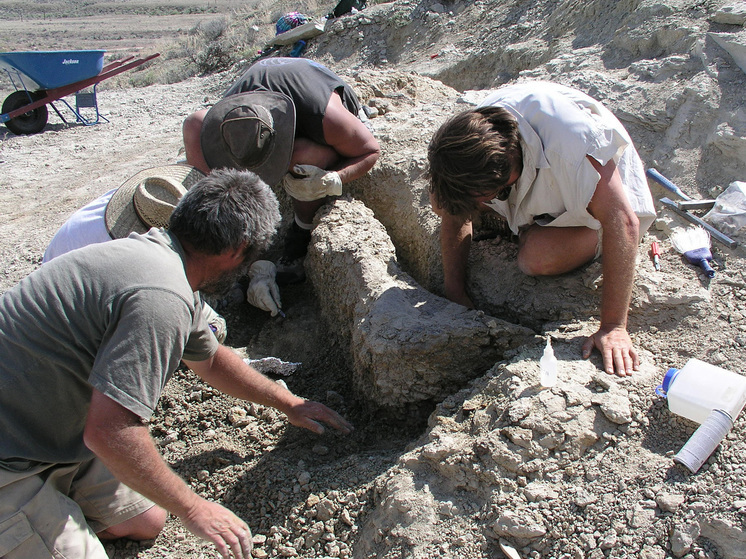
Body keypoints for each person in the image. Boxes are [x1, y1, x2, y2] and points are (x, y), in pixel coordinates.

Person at [0, 168, 353, 559]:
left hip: (46, 430)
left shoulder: (165, 259)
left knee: (146, 520)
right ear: (238, 249)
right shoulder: (159, 297)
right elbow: (111, 431)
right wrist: (194, 508)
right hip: (10, 456)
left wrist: (291, 405)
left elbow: (210, 360)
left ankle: (50, 510)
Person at [427, 81, 656, 378]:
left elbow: (624, 222)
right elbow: (453, 211)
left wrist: (614, 326)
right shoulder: (472, 138)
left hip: (598, 207)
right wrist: (455, 292)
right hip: (529, 179)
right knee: (442, 201)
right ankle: (522, 219)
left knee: (536, 257)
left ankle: (557, 232)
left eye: (492, 194)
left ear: (508, 171)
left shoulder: (575, 148)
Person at [182, 57, 381, 284]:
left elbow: (371, 151)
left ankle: (300, 232)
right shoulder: (231, 115)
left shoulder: (325, 117)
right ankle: (209, 226)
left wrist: (333, 178)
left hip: (319, 101)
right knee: (194, 125)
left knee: (303, 159)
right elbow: (197, 124)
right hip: (275, 92)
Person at [43, 164, 284, 327]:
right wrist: (202, 320)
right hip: (72, 316)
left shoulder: (152, 194)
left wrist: (259, 270)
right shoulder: (127, 260)